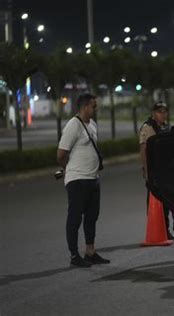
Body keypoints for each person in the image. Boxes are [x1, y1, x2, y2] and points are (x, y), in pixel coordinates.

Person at [57, 93, 110, 268]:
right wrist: (70, 169)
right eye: (94, 106)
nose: (95, 109)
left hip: (93, 178)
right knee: (75, 218)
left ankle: (90, 252)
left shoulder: (92, 124)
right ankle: (74, 255)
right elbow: (61, 154)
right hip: (77, 179)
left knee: (91, 217)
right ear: (85, 106)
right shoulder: (73, 125)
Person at [139, 102, 174, 241]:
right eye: (159, 112)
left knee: (167, 201)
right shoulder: (148, 127)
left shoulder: (165, 127)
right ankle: (158, 231)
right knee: (155, 201)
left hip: (165, 170)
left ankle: (165, 231)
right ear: (153, 113)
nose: (162, 114)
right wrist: (146, 171)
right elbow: (144, 150)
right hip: (154, 171)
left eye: (164, 111)